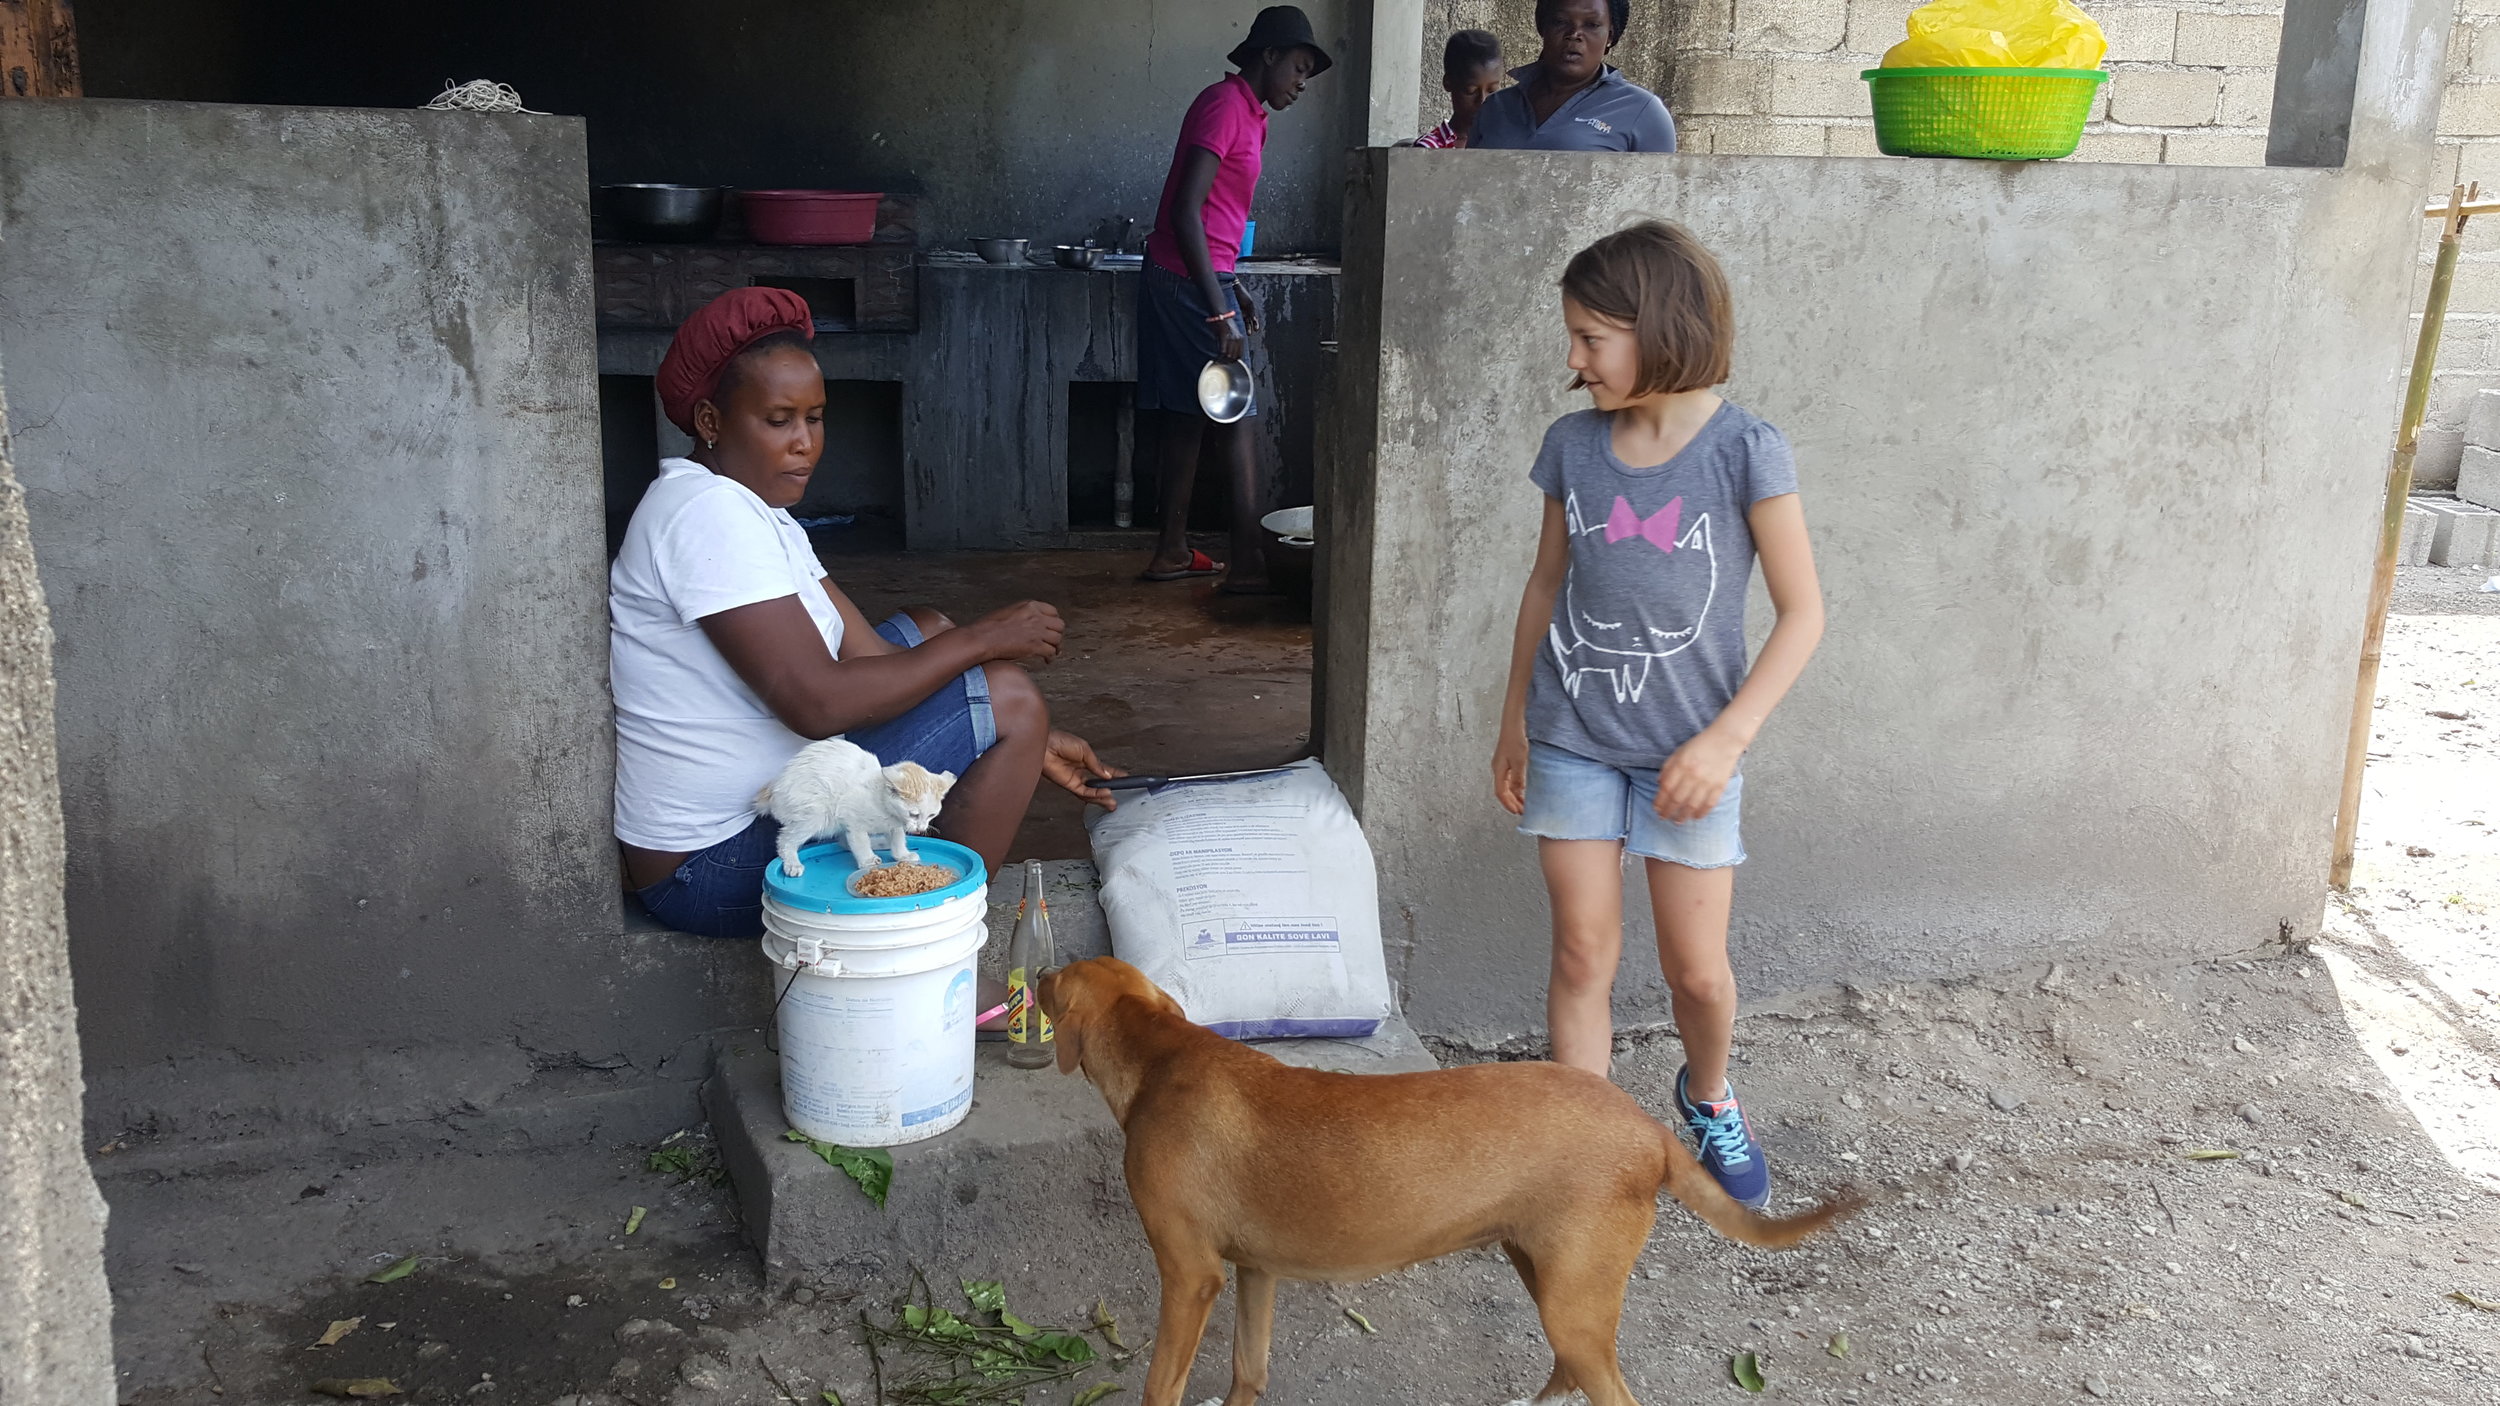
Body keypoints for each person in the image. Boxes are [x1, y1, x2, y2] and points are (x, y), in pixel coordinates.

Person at [611, 287, 1121, 942]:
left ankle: (921, 896)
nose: (804, 444)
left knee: (930, 632)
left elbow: (872, 661)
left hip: (772, 802)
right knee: (1010, 695)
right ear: (711, 421)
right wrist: (988, 650)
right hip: (712, 867)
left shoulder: (754, 509)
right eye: (778, 420)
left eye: (815, 418)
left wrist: (1021, 741)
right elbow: (818, 705)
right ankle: (933, 944)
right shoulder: (704, 515)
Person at [1489, 222, 1823, 1210]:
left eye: (1592, 338)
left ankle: (1707, 1093)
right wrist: (1513, 720)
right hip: (1572, 739)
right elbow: (1544, 586)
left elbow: (1805, 614)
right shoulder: (1573, 448)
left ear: (1660, 328)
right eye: (1572, 338)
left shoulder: (1745, 451)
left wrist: (1725, 741)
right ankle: (1577, 1142)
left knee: (1698, 974)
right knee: (1583, 950)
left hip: (1689, 756)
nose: (1574, 359)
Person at [1136, 5, 1331, 592]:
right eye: (1298, 67)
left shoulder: (1253, 116)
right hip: (1185, 281)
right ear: (1267, 55)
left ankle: (1171, 549)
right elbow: (1185, 211)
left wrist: (1231, 282)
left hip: (1194, 276)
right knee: (1236, 412)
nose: (1301, 82)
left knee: (1189, 416)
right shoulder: (1223, 107)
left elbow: (1216, 219)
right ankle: (1248, 561)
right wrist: (1218, 305)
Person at [1469, 0, 1675, 153]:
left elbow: (1660, 203)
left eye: (1592, 25)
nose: (1574, 34)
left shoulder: (1642, 112)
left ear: (1610, 36)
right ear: (1543, 28)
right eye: (1560, 22)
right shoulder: (1496, 107)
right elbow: (1469, 190)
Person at [1413, 30, 1506, 149]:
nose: (1482, 101)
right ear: (1448, 83)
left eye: (1492, 91)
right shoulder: (1429, 149)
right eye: (1471, 91)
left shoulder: (1504, 144)